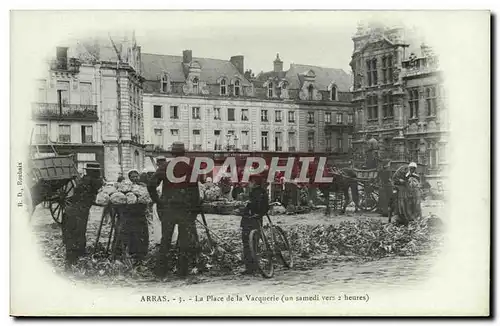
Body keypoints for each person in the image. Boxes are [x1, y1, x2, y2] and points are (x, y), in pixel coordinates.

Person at [147, 142, 201, 278]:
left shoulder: (165, 166)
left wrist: (158, 201)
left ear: (172, 153)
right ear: (184, 153)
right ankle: (182, 272)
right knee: (184, 241)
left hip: (168, 208)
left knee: (165, 240)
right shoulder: (191, 167)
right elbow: (195, 191)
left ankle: (161, 272)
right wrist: (195, 209)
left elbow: (151, 185)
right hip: (185, 209)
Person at [62, 162, 104, 269]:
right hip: (79, 210)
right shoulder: (95, 180)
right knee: (78, 232)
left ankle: (72, 258)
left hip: (73, 209)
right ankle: (75, 258)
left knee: (73, 233)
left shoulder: (86, 179)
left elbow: (78, 193)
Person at [239, 173, 270, 275]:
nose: (248, 184)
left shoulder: (254, 193)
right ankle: (255, 266)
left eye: (250, 182)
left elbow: (252, 206)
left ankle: (250, 267)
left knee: (247, 244)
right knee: (254, 244)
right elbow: (265, 208)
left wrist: (243, 208)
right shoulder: (263, 192)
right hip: (257, 220)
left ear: (253, 182)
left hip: (249, 221)